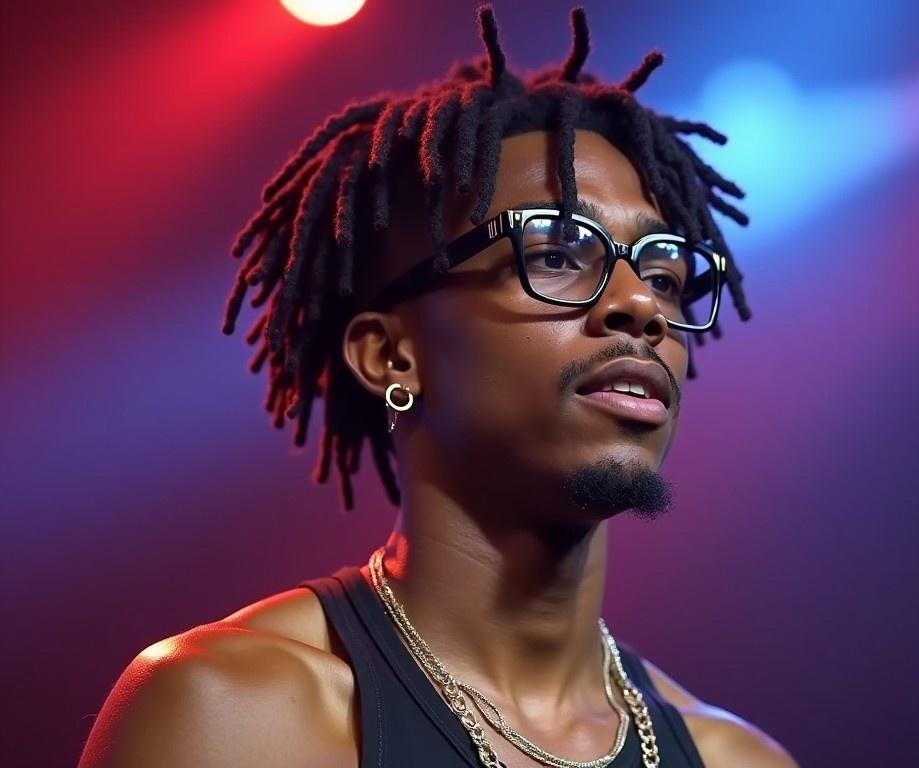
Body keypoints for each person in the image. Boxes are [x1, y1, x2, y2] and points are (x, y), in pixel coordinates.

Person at [79, 6, 797, 767]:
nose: (641, 305)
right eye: (555, 255)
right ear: (391, 356)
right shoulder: (231, 717)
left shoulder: (739, 761)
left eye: (663, 273)